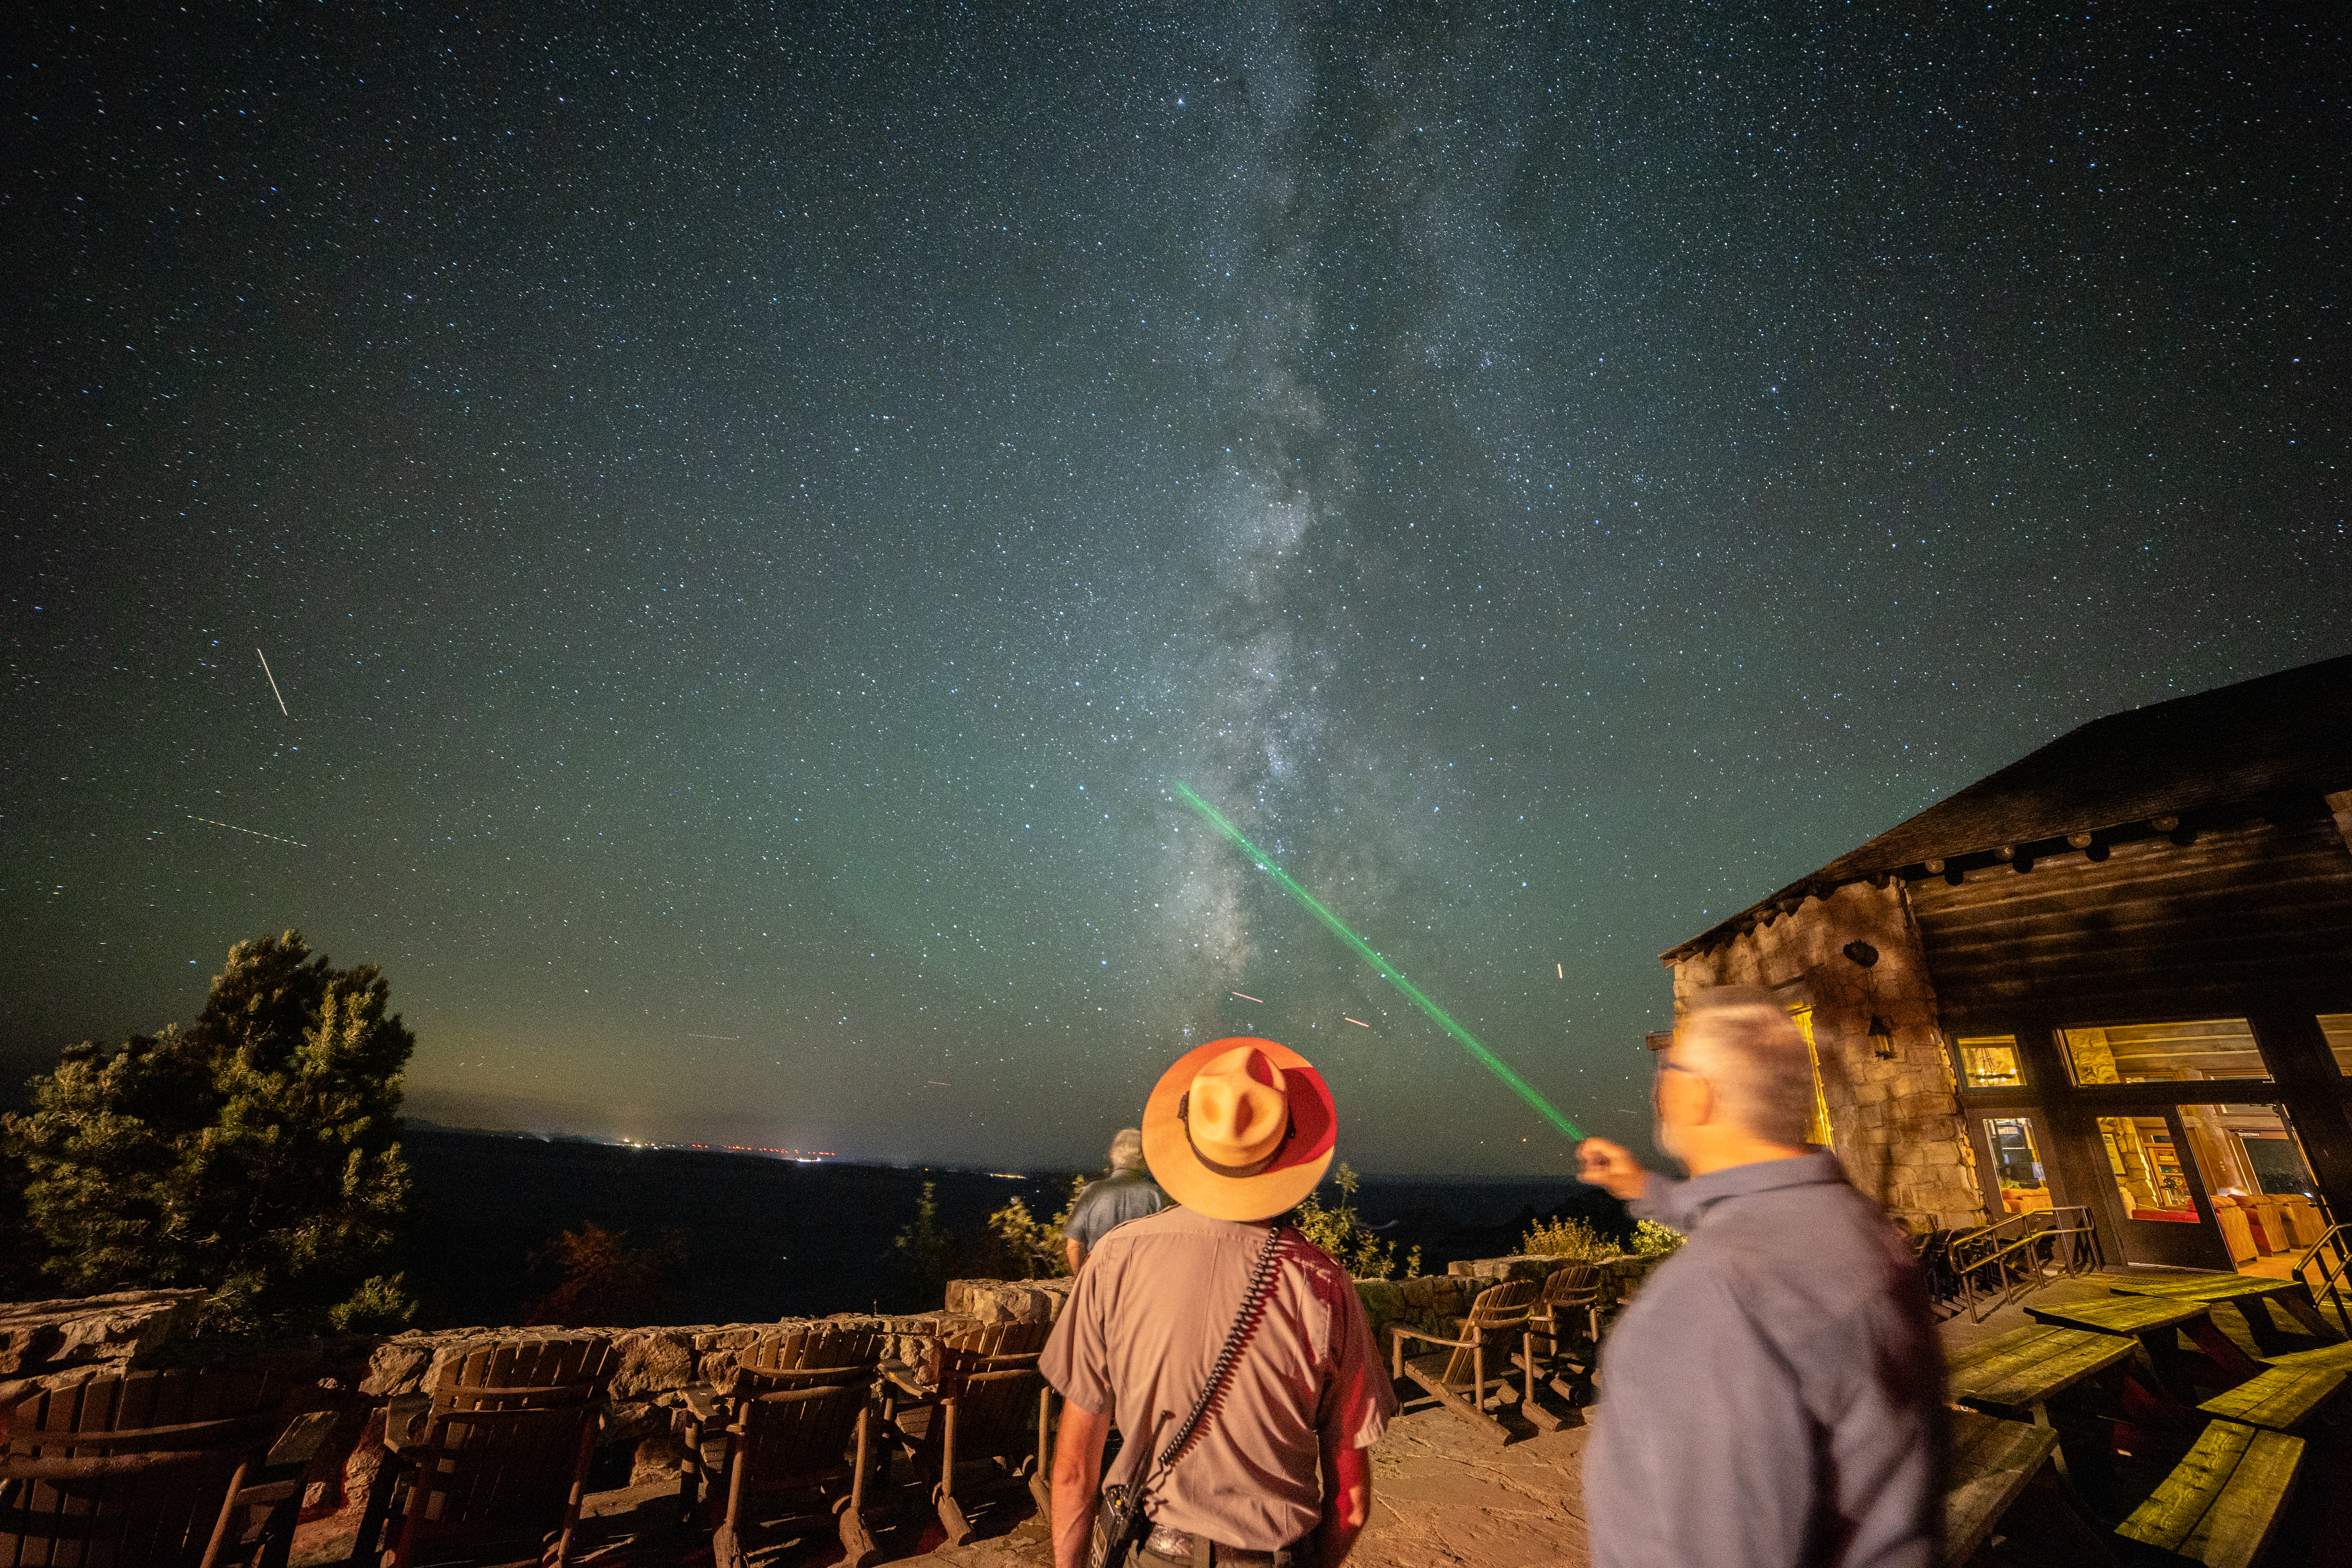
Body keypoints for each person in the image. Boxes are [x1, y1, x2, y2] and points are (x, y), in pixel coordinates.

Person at [1576, 997, 1944, 1568]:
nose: (1659, 1086)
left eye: (1669, 1068)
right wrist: (1643, 1189)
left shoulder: (1711, 1302)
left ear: (1696, 1095)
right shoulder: (1852, 1223)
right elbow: (1755, 1221)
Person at [1043, 1037, 1396, 1568]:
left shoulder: (1114, 1259)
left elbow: (1074, 1472)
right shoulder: (1326, 1284)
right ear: (1285, 1148)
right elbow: (1352, 1501)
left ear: (1190, 1139)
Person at [1063, 1127, 1170, 1273]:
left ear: (1113, 1155)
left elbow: (1074, 1247)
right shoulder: (1157, 1196)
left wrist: (1082, 1281)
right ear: (1144, 1157)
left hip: (1100, 1278)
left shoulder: (1092, 1192)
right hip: (1142, 1280)